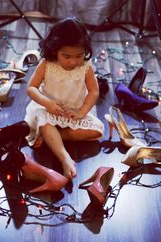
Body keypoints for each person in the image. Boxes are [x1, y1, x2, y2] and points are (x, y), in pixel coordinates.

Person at [24, 17, 104, 180]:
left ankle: (52, 137)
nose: (73, 61)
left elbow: (94, 91)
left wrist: (82, 111)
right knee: (45, 123)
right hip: (47, 110)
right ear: (55, 50)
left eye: (79, 55)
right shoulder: (47, 64)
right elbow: (31, 88)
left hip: (73, 112)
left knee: (96, 130)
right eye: (66, 56)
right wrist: (47, 103)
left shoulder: (85, 67)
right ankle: (64, 157)